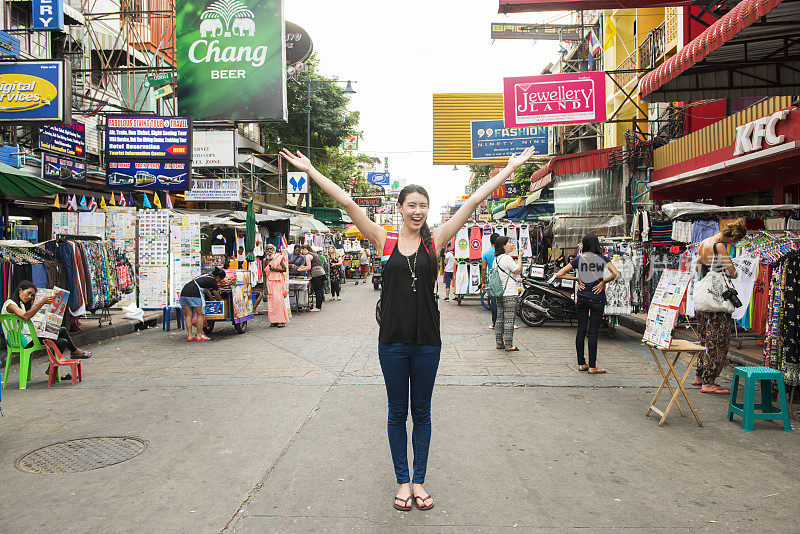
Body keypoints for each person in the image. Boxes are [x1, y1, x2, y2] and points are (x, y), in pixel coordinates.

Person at [281, 144, 537, 512]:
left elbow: (473, 202)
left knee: (423, 412)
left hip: (428, 342)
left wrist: (509, 169)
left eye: (423, 206)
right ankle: (402, 481)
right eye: (411, 205)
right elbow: (348, 202)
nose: (417, 211)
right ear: (400, 208)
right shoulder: (383, 241)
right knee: (396, 412)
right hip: (393, 342)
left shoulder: (436, 241)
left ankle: (420, 479)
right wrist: (310, 169)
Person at [693, 218, 746, 394]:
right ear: (733, 238)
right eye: (735, 242)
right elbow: (732, 271)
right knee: (718, 340)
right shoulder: (719, 245)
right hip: (717, 302)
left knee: (704, 338)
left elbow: (698, 269)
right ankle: (709, 381)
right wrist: (735, 271)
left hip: (704, 298)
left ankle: (699, 375)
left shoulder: (704, 243)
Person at [2, 281, 92, 381]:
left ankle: (51, 370)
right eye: (28, 293)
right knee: (61, 330)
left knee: (63, 342)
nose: (29, 296)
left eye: (32, 295)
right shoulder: (10, 304)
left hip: (27, 337)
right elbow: (25, 316)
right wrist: (41, 303)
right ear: (20, 290)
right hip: (21, 340)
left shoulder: (21, 304)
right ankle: (74, 351)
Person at [555, 234, 619, 374]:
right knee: (593, 333)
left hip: (582, 298)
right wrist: (603, 282)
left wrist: (577, 279)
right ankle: (592, 366)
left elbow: (559, 274)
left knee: (581, 330)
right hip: (597, 298)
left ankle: (581, 363)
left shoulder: (579, 259)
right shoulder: (603, 259)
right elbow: (615, 273)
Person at [179, 267, 226, 341]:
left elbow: (205, 290)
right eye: (220, 279)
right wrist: (219, 300)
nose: (220, 281)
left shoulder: (205, 276)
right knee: (200, 314)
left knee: (189, 315)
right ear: (218, 277)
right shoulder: (213, 281)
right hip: (194, 294)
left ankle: (190, 336)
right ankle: (199, 335)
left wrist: (212, 299)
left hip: (184, 292)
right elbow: (216, 293)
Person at [493, 236, 523, 351]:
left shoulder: (496, 259)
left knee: (499, 319)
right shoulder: (507, 258)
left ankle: (499, 342)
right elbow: (518, 270)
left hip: (499, 292)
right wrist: (520, 257)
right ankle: (509, 345)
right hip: (510, 292)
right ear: (503, 246)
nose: (511, 244)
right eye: (509, 243)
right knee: (509, 319)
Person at [263, 244, 289, 327]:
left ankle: (282, 320)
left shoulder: (279, 258)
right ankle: (274, 321)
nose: (269, 250)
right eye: (268, 249)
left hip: (278, 282)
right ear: (265, 251)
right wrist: (265, 287)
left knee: (279, 300)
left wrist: (276, 269)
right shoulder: (264, 260)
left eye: (271, 248)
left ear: (274, 250)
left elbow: (284, 269)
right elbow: (264, 274)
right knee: (271, 302)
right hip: (269, 282)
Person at [481, 232, 500, 329]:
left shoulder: (486, 253)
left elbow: (483, 268)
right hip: (501, 278)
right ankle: (504, 322)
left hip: (491, 278)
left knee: (493, 301)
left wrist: (483, 281)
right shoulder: (500, 253)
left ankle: (494, 323)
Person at [300, 244, 326, 312]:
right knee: (319, 290)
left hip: (316, 273)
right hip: (321, 272)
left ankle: (318, 307)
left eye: (302, 250)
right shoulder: (314, 254)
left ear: (305, 249)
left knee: (317, 290)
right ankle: (319, 306)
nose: (301, 252)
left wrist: (300, 269)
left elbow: (309, 267)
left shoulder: (308, 255)